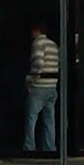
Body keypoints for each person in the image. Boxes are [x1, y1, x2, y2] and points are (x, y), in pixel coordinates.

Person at [23, 23, 60, 153]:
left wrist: (29, 79)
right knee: (49, 121)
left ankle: (29, 148)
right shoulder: (54, 45)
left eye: (32, 31)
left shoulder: (38, 43)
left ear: (36, 30)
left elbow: (38, 63)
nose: (31, 34)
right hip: (52, 87)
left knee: (31, 119)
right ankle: (50, 148)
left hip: (39, 87)